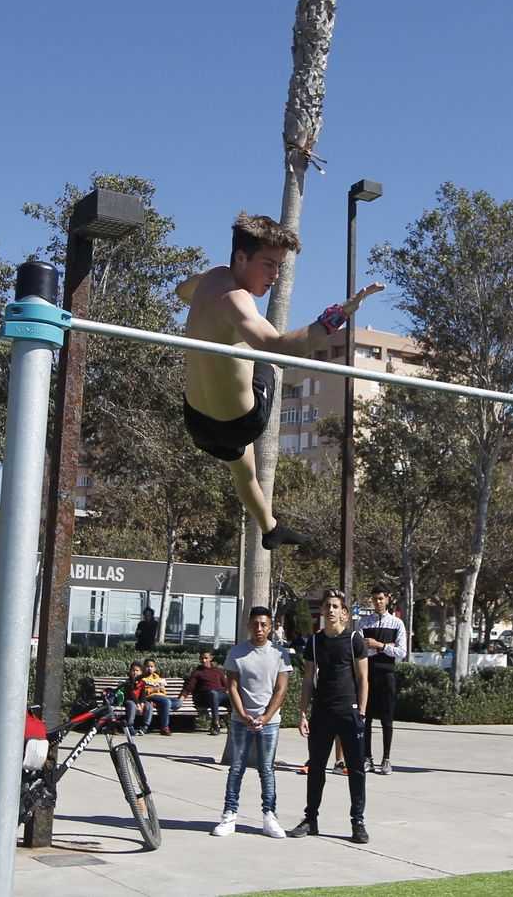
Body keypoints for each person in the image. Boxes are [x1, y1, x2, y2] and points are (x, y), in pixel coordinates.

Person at [175, 213, 382, 552]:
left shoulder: (209, 279)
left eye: (279, 267)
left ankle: (270, 527)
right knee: (262, 357)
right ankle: (269, 525)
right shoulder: (238, 299)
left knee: (244, 474)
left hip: (197, 424)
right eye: (268, 264)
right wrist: (339, 314)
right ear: (241, 257)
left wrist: (206, 307)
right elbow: (279, 347)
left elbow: (183, 291)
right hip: (243, 422)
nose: (274, 276)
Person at [290, 589, 369, 843]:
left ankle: (358, 822)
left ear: (343, 612)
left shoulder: (353, 639)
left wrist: (362, 713)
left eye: (335, 606)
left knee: (356, 770)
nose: (331, 610)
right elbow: (307, 680)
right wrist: (303, 713)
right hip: (322, 713)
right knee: (316, 769)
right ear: (322, 611)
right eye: (327, 606)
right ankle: (310, 819)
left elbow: (364, 679)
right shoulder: (314, 642)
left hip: (349, 713)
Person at [213, 606, 293, 838]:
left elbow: (281, 689)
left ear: (270, 627)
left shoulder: (280, 654)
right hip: (241, 721)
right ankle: (229, 814)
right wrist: (243, 714)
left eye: (264, 624)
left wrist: (266, 717)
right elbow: (233, 687)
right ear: (248, 626)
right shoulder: (236, 653)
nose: (259, 628)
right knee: (236, 768)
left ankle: (270, 816)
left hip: (270, 722)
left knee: (267, 770)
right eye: (255, 624)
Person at [358, 586, 407, 775]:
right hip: (368, 674)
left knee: (387, 718)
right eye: (374, 599)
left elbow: (401, 653)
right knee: (366, 717)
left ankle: (386, 758)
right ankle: (367, 757)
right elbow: (361, 649)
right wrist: (387, 647)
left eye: (380, 598)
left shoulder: (397, 624)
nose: (377, 602)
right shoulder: (364, 623)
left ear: (387, 599)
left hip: (387, 674)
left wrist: (380, 645)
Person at [184, 649, 231, 735]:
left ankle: (235, 724)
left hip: (220, 695)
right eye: (201, 658)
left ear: (211, 658)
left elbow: (226, 686)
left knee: (235, 697)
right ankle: (215, 724)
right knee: (213, 694)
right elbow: (189, 687)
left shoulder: (218, 671)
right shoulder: (197, 672)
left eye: (206, 658)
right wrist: (181, 698)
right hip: (206, 697)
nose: (203, 660)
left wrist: (228, 692)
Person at [136, 656, 177, 736]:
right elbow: (142, 692)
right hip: (150, 696)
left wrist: (162, 689)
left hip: (160, 697)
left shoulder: (157, 677)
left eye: (151, 666)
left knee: (178, 702)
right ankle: (164, 727)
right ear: (144, 668)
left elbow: (163, 692)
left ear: (155, 668)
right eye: (147, 666)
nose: (149, 668)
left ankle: (157, 704)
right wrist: (153, 690)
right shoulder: (143, 678)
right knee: (167, 702)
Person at [118, 661, 146, 733]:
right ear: (130, 672)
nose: (135, 672)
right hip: (129, 700)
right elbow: (131, 694)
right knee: (132, 705)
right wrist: (138, 705)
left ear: (141, 672)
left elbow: (143, 695)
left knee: (149, 706)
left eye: (137, 671)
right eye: (133, 670)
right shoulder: (128, 682)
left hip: (139, 702)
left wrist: (142, 704)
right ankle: (130, 725)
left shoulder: (142, 682)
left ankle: (145, 726)